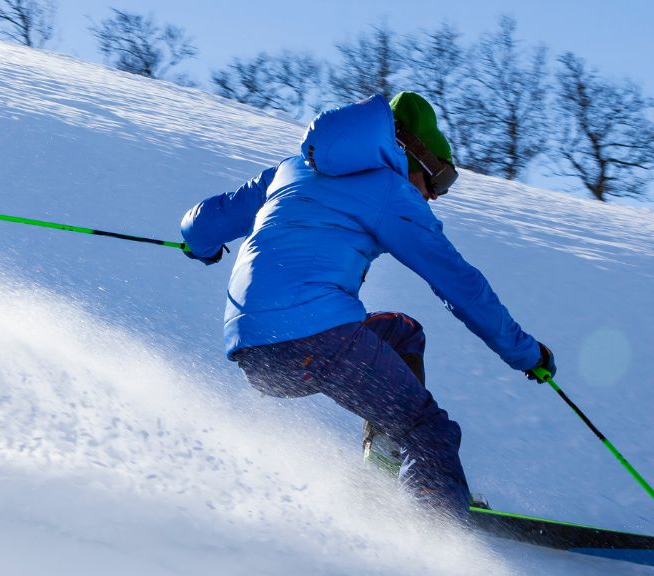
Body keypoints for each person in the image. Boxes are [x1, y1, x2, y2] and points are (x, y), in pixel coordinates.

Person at [179, 92, 555, 522]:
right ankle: (436, 528)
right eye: (440, 180)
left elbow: (203, 223)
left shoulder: (291, 168)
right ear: (415, 154)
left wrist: (201, 247)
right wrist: (525, 353)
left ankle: (383, 476)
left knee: (402, 332)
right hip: (317, 338)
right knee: (427, 429)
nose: (435, 195)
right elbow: (459, 284)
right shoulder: (389, 191)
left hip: (254, 353)